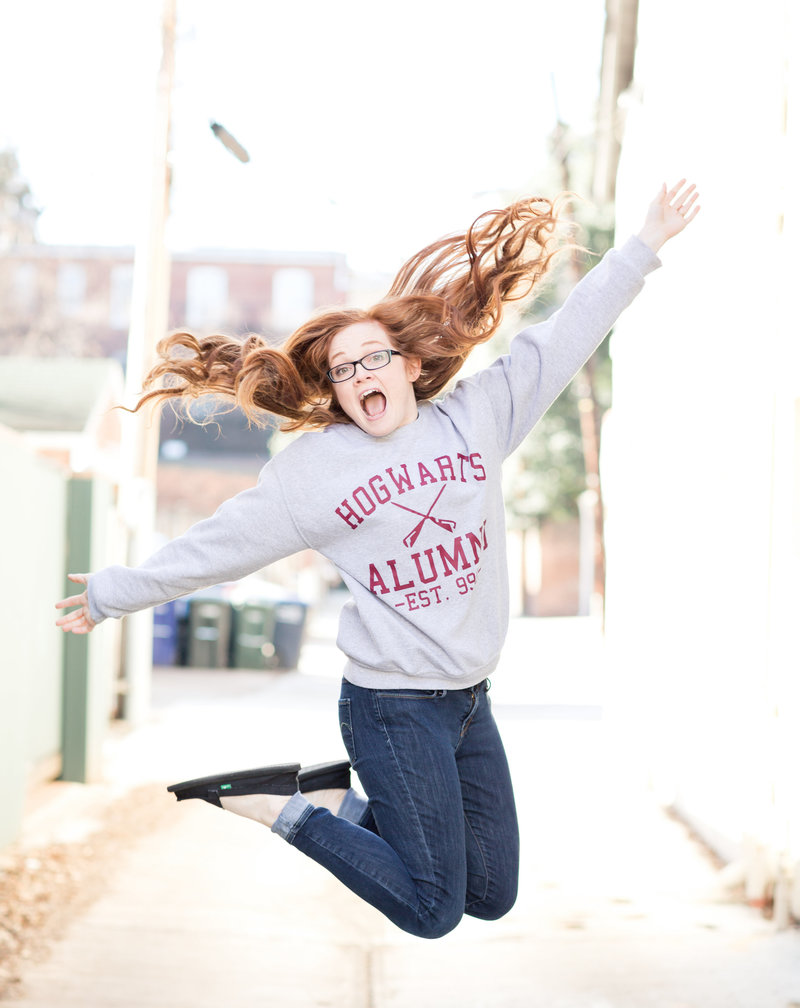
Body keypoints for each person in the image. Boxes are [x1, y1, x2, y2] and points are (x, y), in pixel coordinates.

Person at [56, 179, 700, 939]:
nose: (362, 376)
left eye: (374, 359)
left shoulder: (477, 417)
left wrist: (645, 244)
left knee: (490, 892)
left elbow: (562, 338)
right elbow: (216, 548)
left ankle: (340, 805)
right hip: (390, 707)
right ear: (333, 390)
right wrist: (112, 592)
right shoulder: (315, 473)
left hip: (467, 700)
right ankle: (286, 809)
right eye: (343, 370)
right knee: (433, 912)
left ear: (410, 367)